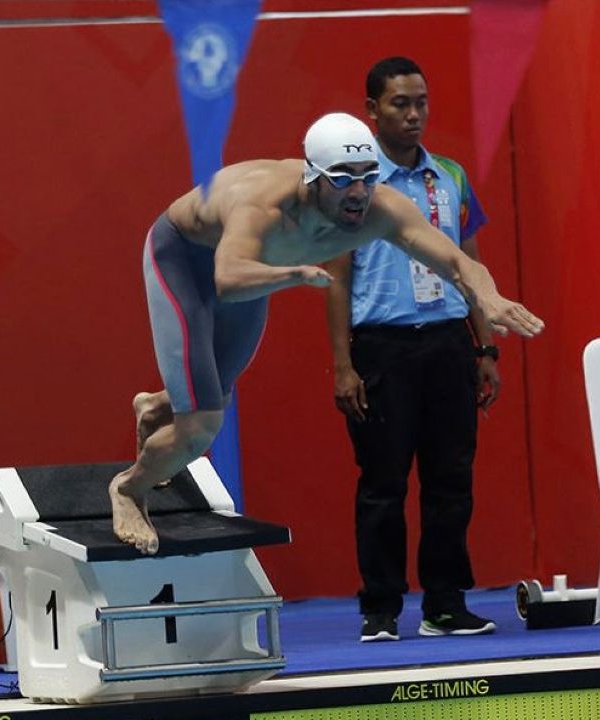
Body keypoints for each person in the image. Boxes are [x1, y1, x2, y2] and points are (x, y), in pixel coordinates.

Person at [110, 112, 544, 557]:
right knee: (201, 426)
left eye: (368, 176)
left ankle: (155, 406)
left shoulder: (383, 208)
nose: (358, 192)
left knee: (213, 391)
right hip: (187, 262)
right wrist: (294, 273)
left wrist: (488, 297)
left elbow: (456, 261)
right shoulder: (264, 204)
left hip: (262, 270)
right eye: (341, 178)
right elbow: (228, 278)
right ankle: (129, 488)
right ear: (312, 176)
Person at [325, 58, 502, 642]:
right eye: (400, 103)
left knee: (452, 481)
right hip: (383, 348)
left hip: (450, 343)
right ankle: (380, 609)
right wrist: (343, 365)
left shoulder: (449, 176)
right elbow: (337, 277)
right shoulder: (353, 184)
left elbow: (470, 264)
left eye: (421, 102)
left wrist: (486, 348)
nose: (413, 114)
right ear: (371, 110)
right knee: (383, 484)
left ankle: (445, 605)